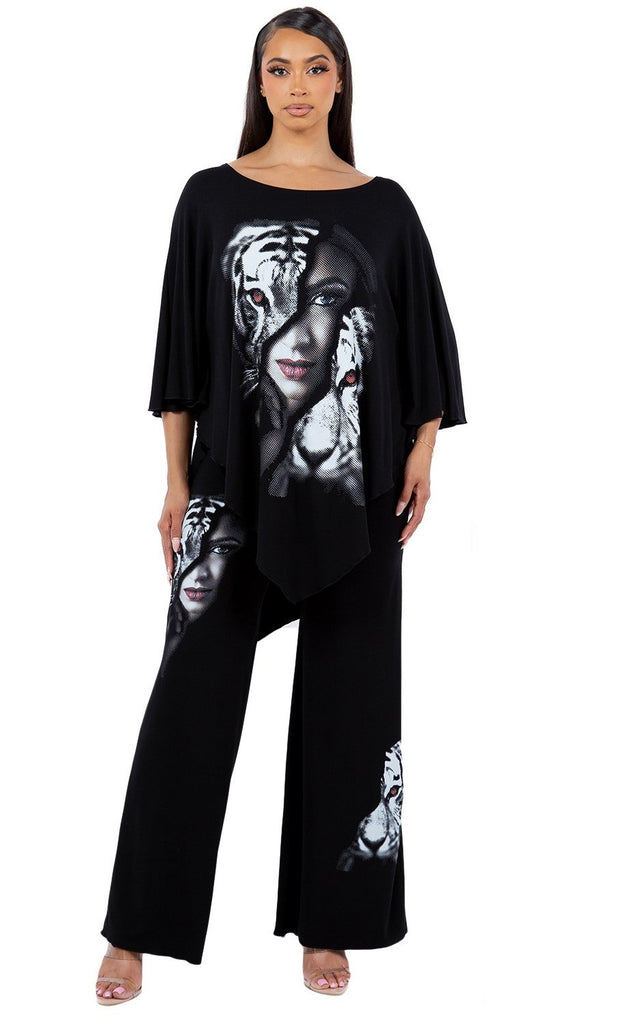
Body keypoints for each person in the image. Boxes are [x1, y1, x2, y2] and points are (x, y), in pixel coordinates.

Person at [95, 5, 467, 1004]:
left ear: (339, 80)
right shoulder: (208, 196)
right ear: (257, 83)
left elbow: (422, 339)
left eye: (313, 67)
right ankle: (136, 928)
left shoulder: (386, 205)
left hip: (360, 487)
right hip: (228, 488)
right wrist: (175, 482)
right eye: (277, 68)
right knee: (188, 705)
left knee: (354, 703)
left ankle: (330, 921)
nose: (296, 85)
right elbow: (182, 345)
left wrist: (423, 453)